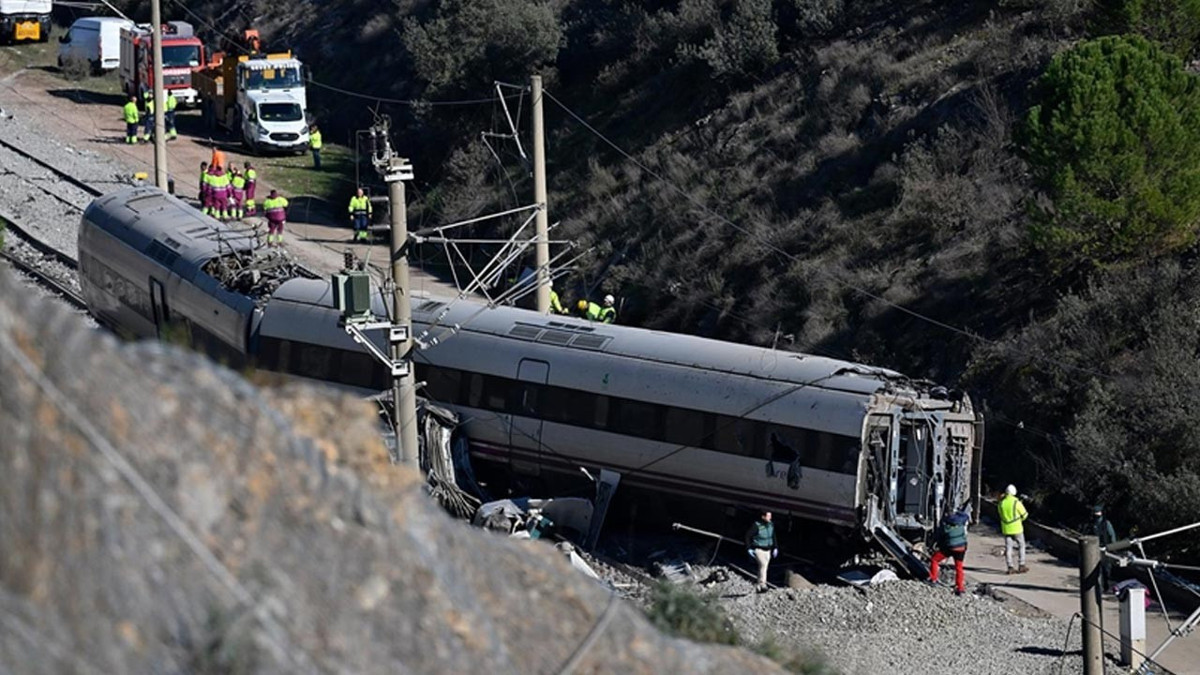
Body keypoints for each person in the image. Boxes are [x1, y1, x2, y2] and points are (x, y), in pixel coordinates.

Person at [929, 507, 970, 595]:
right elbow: (965, 515)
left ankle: (933, 579)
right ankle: (960, 587)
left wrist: (937, 545)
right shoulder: (961, 522)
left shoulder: (946, 526)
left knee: (934, 560)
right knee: (959, 567)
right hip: (962, 547)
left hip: (950, 547)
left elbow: (941, 538)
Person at [998, 485, 1029, 574]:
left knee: (1008, 548)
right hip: (1017, 528)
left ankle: (1010, 567)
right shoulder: (1016, 502)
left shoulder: (1001, 503)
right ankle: (1021, 565)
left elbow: (1000, 515)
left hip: (1006, 529)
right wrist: (1020, 520)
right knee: (1021, 546)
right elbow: (1025, 515)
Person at [744, 510, 777, 593]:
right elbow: (748, 536)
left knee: (762, 568)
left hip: (768, 550)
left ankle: (758, 585)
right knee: (763, 566)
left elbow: (773, 536)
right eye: (768, 516)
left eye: (770, 516)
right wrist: (748, 548)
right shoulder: (756, 526)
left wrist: (775, 547)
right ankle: (763, 585)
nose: (770, 518)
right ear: (763, 517)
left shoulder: (771, 525)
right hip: (759, 550)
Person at [1093, 504, 1117, 589]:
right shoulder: (1093, 523)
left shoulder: (1106, 523)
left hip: (1106, 548)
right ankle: (1098, 585)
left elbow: (1112, 535)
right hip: (1095, 547)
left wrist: (1112, 547)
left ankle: (1106, 584)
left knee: (1106, 568)